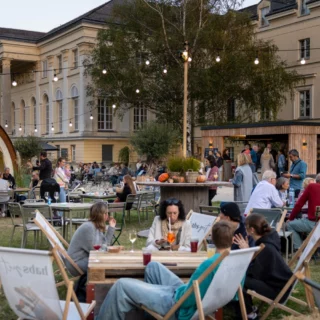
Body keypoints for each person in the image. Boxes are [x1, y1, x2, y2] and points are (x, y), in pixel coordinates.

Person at [97, 221, 234, 320]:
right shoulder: (235, 261)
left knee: (121, 285)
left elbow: (186, 300)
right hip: (189, 295)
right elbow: (234, 295)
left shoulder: (209, 265)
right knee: (153, 267)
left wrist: (173, 292)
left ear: (213, 240)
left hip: (179, 306)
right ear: (232, 240)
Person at [234, 214, 293, 320]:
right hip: (282, 284)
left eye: (246, 226)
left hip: (278, 290)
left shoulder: (265, 248)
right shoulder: (269, 239)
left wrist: (246, 254)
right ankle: (247, 309)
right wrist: (249, 251)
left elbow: (255, 273)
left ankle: (248, 314)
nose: (244, 228)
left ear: (251, 230)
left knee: (239, 280)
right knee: (242, 278)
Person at [287, 173, 320, 250]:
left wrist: (291, 218)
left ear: (316, 180)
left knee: (290, 225)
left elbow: (299, 204)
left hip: (314, 223)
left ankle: (300, 249)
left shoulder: (312, 186)